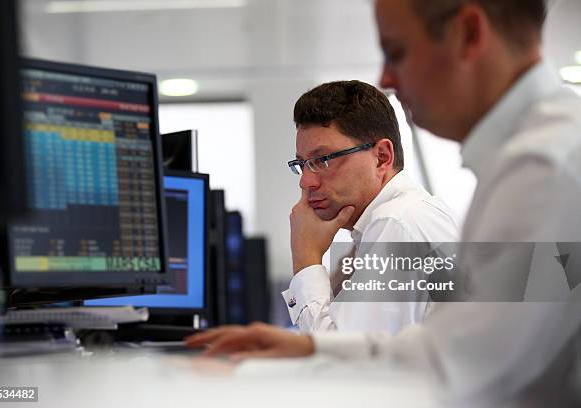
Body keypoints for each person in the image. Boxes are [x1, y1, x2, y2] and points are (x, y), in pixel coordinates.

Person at [187, 0, 581, 404]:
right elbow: (455, 352)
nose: (387, 78)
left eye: (397, 52)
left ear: (469, 34)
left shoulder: (542, 169)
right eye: (303, 164)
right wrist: (308, 349)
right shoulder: (543, 155)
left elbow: (426, 380)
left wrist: (307, 264)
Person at [282, 80, 459, 334]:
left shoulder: (395, 224)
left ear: (382, 157)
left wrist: (306, 259)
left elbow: (343, 367)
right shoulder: (412, 214)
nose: (306, 181)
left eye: (322, 160)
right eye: (302, 164)